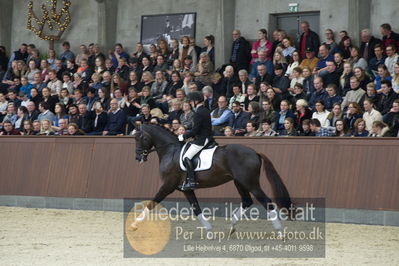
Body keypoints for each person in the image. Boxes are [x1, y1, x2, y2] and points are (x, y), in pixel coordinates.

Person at [178, 91, 213, 190]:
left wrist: (183, 136)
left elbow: (195, 130)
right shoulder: (205, 110)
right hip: (206, 136)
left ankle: (192, 182)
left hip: (202, 139)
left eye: (191, 101)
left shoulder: (198, 112)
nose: (190, 103)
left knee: (186, 157)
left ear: (195, 101)